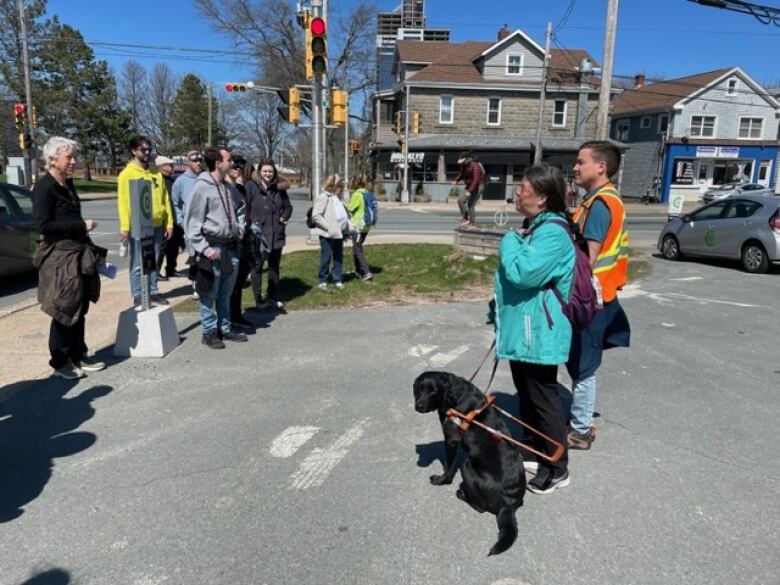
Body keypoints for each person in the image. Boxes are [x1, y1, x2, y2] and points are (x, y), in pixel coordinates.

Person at [492, 163, 575, 495]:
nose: (517, 191)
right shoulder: (536, 228)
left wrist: (509, 241)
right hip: (527, 327)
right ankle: (537, 447)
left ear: (542, 198)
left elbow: (524, 273)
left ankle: (557, 466)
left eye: (523, 187)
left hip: (539, 330)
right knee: (527, 392)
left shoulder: (553, 232)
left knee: (543, 398)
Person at [566, 141, 631, 450]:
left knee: (583, 366)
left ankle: (580, 430)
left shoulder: (601, 204)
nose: (575, 167)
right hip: (598, 295)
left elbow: (586, 259)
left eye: (581, 162)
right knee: (582, 363)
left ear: (600, 167)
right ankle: (580, 422)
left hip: (592, 298)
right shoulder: (598, 201)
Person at [32, 136, 106, 379]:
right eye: (69, 157)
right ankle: (60, 361)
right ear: (53, 159)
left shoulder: (68, 185)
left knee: (81, 304)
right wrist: (80, 225)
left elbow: (75, 224)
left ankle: (78, 354)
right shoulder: (44, 188)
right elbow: (44, 226)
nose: (74, 161)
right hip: (59, 256)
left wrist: (92, 248)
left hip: (78, 252)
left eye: (74, 156)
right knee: (64, 307)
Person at [184, 146, 248, 349]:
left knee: (225, 293)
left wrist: (240, 229)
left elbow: (241, 208)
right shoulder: (201, 187)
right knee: (209, 293)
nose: (232, 163)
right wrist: (204, 248)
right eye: (228, 159)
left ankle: (225, 328)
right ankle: (209, 331)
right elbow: (191, 222)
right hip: (212, 250)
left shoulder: (228, 187)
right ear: (218, 163)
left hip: (230, 248)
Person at [116, 136, 173, 306]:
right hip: (138, 225)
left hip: (156, 225)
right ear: (134, 151)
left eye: (149, 149)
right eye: (143, 149)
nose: (147, 152)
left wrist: (168, 222)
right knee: (138, 262)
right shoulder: (127, 174)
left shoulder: (156, 173)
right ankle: (138, 293)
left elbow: (165, 199)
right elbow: (123, 202)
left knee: (154, 260)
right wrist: (125, 227)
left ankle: (153, 290)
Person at [247, 158, 293, 310]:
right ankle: (258, 299)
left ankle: (272, 296)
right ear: (260, 171)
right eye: (265, 171)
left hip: (276, 234)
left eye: (270, 171)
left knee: (274, 267)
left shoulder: (279, 189)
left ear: (274, 173)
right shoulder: (251, 187)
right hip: (258, 236)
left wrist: (283, 218)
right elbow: (245, 207)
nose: (268, 173)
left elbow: (288, 207)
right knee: (257, 267)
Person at [172, 149, 205, 300]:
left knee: (206, 256)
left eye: (200, 160)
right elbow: (175, 204)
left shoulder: (205, 178)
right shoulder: (180, 181)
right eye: (195, 160)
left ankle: (205, 284)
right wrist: (181, 222)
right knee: (194, 257)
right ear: (188, 162)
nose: (199, 163)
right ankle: (196, 286)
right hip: (190, 226)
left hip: (207, 225)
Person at [226, 154, 254, 327]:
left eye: (239, 167)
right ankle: (225, 317)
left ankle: (236, 314)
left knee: (239, 281)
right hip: (229, 242)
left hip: (244, 241)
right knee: (228, 284)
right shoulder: (224, 189)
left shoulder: (241, 189)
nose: (237, 170)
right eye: (234, 166)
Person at [311, 174, 349, 289]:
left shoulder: (337, 198)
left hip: (339, 233)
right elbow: (316, 215)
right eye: (339, 186)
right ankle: (323, 279)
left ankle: (337, 278)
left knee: (338, 257)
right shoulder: (324, 197)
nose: (341, 189)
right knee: (326, 257)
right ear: (332, 186)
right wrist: (329, 227)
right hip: (327, 234)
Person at [155, 155, 184, 279]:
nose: (172, 167)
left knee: (174, 246)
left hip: (175, 218)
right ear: (161, 167)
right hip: (164, 220)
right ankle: (155, 271)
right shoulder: (157, 180)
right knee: (162, 247)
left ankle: (171, 269)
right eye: (169, 165)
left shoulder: (172, 180)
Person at [346, 176, 373, 281]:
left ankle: (367, 272)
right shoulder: (367, 193)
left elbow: (351, 208)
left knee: (357, 249)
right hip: (366, 225)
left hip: (358, 226)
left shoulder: (357, 194)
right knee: (357, 247)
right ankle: (358, 269)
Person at [452, 151, 484, 228]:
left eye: (463, 161)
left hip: (478, 186)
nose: (462, 163)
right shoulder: (463, 165)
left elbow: (476, 180)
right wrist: (456, 180)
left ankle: (472, 222)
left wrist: (469, 191)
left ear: (468, 159)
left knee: (470, 204)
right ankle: (465, 218)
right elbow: (462, 174)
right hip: (470, 185)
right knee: (460, 200)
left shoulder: (475, 166)